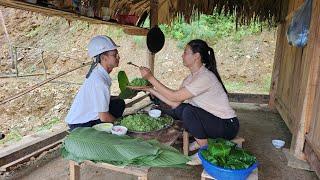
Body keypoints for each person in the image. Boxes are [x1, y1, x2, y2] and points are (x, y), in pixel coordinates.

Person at [139, 39, 239, 151]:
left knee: (188, 111)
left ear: (196, 56)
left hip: (227, 126)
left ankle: (205, 151)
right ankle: (201, 141)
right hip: (212, 122)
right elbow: (174, 103)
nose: (182, 56)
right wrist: (150, 89)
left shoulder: (205, 77)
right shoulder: (189, 79)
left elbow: (174, 96)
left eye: (185, 52)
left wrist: (151, 78)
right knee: (181, 109)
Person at [65, 35, 125, 131]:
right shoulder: (99, 81)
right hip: (80, 125)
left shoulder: (98, 72)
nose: (119, 57)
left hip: (81, 120)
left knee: (119, 103)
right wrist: (122, 124)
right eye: (115, 55)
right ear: (104, 58)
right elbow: (104, 117)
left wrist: (122, 96)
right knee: (114, 117)